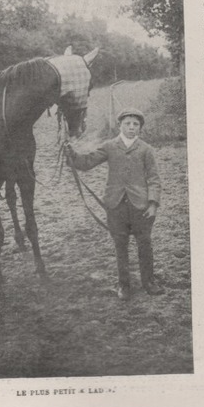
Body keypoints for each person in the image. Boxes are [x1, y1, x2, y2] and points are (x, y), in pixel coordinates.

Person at [65, 108, 162, 299]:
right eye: (128, 124)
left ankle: (149, 282)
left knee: (145, 243)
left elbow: (154, 179)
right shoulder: (109, 146)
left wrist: (152, 204)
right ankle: (124, 285)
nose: (132, 127)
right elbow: (86, 162)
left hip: (140, 206)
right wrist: (71, 154)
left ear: (140, 127)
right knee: (120, 245)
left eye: (136, 124)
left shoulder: (146, 150)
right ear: (120, 125)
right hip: (115, 205)